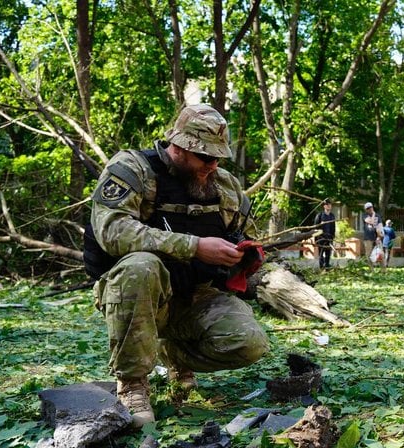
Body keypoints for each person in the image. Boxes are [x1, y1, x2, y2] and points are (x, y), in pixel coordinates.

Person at [83, 104, 269, 428]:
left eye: (218, 158)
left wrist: (243, 256)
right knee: (141, 266)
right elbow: (113, 231)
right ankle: (132, 384)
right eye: (204, 157)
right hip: (139, 297)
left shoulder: (225, 187)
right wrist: (195, 247)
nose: (212, 165)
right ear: (179, 146)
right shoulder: (132, 169)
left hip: (197, 296)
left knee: (249, 343)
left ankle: (174, 354)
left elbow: (245, 234)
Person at [314, 198, 336, 269]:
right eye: (327, 204)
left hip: (329, 237)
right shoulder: (319, 215)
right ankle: (321, 267)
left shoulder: (332, 216)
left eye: (330, 204)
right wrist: (316, 239)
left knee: (328, 254)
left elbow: (333, 227)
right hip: (321, 238)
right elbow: (316, 227)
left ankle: (327, 267)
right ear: (324, 206)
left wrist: (332, 237)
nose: (329, 206)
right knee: (321, 254)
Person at [362, 202, 383, 269]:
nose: (370, 209)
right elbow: (371, 222)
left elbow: (380, 226)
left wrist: (379, 237)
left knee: (381, 254)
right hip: (368, 238)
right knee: (368, 255)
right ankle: (371, 270)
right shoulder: (364, 215)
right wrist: (373, 214)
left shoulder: (378, 216)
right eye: (368, 208)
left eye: (370, 207)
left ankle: (383, 271)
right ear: (366, 210)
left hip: (377, 238)